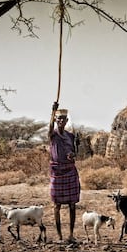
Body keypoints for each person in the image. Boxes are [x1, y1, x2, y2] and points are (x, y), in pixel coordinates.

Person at [48, 102, 81, 243]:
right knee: (57, 205)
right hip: (57, 172)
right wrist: (52, 112)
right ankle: (59, 235)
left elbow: (74, 152)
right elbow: (50, 127)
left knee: (72, 205)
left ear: (67, 121)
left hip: (70, 171)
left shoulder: (70, 136)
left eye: (63, 119)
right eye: (58, 119)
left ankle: (71, 235)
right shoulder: (53, 135)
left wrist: (72, 154)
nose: (61, 121)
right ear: (56, 121)